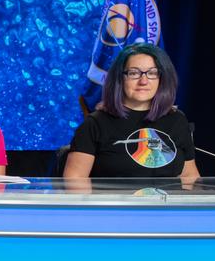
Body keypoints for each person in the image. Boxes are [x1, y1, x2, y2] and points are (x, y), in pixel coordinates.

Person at [63, 43, 199, 180]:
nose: (143, 81)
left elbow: (190, 176)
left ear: (162, 79)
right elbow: (75, 182)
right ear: (119, 78)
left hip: (167, 201)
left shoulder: (177, 120)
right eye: (134, 73)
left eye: (152, 73)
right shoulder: (95, 124)